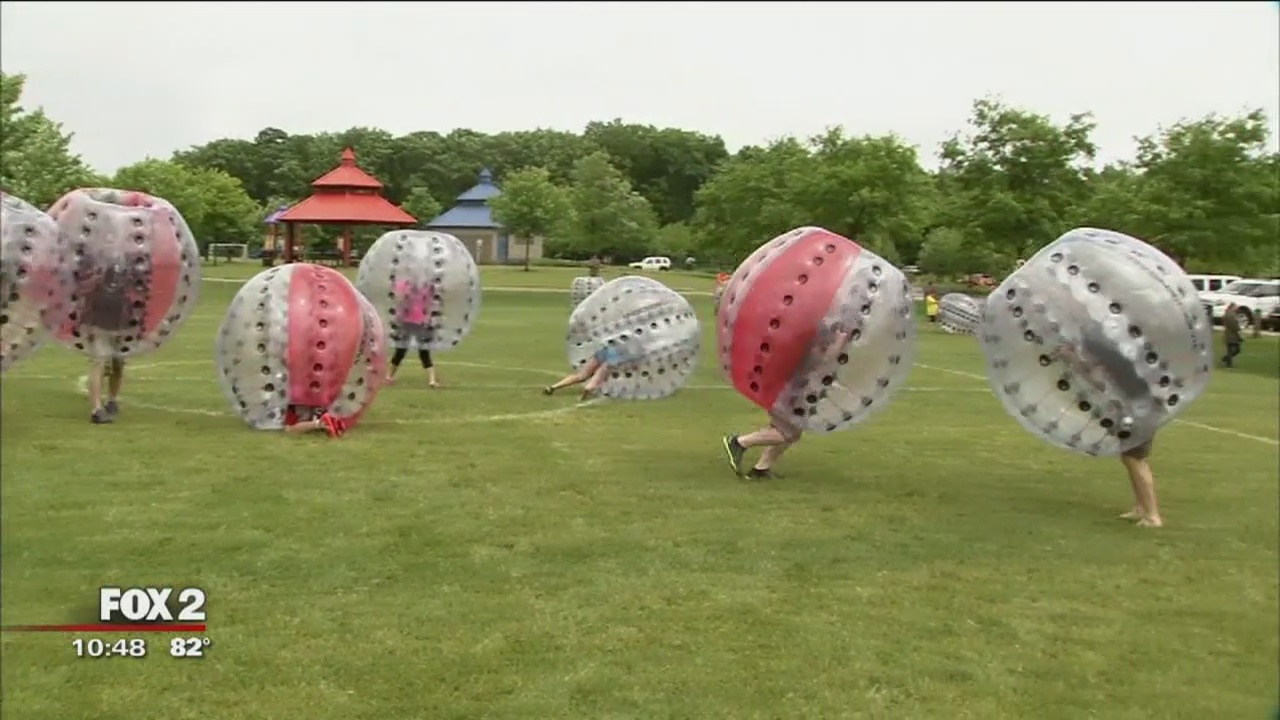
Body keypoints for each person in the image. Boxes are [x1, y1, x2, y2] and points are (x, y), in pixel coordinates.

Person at [1054, 329, 1164, 527]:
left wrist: (1072, 359)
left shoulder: (1114, 360)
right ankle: (1141, 507)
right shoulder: (1120, 356)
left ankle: (1152, 515)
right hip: (1139, 407)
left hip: (1140, 409)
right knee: (1130, 457)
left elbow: (1099, 382)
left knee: (1135, 459)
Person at [721, 322, 857, 480]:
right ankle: (739, 442)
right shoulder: (811, 336)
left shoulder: (811, 330)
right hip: (786, 391)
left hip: (790, 389)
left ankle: (761, 469)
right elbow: (823, 359)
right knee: (786, 433)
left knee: (792, 432)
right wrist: (841, 338)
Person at [83, 262, 134, 425]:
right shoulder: (97, 277)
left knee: (118, 364)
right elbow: (88, 303)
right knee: (99, 364)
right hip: (100, 327)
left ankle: (112, 400)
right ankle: (97, 409)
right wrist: (88, 326)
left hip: (119, 328)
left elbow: (129, 304)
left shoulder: (126, 277)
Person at [387, 279, 439, 387]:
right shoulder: (403, 285)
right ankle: (389, 376)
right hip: (406, 321)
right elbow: (399, 302)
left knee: (424, 350)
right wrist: (405, 296)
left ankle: (432, 380)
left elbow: (429, 303)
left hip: (420, 322)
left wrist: (429, 317)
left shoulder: (426, 287)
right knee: (400, 350)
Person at [543, 340, 630, 402]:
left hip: (606, 351)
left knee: (582, 376)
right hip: (616, 357)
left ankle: (553, 387)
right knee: (597, 378)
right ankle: (584, 395)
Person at [1221, 302, 1243, 368]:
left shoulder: (1228, 314)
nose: (1237, 308)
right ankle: (1227, 359)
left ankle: (1228, 362)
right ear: (1232, 307)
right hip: (1232, 334)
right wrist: (1238, 330)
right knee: (1236, 350)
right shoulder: (1231, 315)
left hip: (1228, 334)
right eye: (1235, 307)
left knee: (1230, 350)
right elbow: (1233, 325)